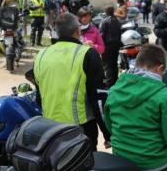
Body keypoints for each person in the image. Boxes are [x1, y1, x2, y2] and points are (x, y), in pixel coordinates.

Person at [28, 12, 110, 150]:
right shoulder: (87, 54)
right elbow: (99, 99)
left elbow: (39, 97)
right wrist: (108, 134)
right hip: (80, 131)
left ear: (57, 32)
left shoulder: (41, 55)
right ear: (77, 31)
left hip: (50, 129)